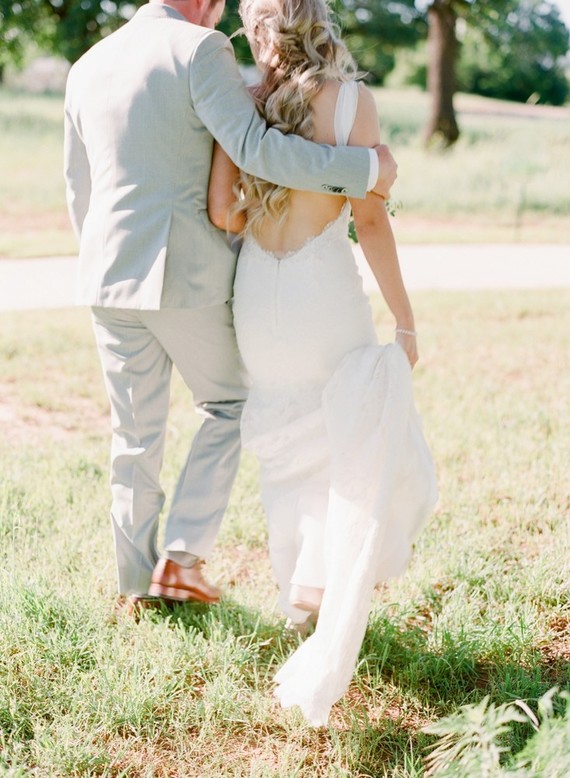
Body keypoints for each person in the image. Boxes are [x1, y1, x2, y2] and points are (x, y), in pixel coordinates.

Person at [63, 0, 398, 615]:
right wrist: (364, 167)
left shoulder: (87, 64)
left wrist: (103, 261)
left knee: (132, 437)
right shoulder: (198, 48)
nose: (222, 18)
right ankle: (182, 558)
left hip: (106, 276)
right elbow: (258, 150)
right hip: (183, 275)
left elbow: (77, 187)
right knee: (228, 405)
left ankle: (136, 585)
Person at [208, 0, 438, 724]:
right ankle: (319, 577)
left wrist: (262, 205)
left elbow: (223, 212)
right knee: (344, 435)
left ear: (261, 29)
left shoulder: (244, 104)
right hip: (323, 292)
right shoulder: (351, 103)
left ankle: (301, 586)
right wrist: (404, 317)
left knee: (285, 439)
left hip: (258, 295)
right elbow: (369, 217)